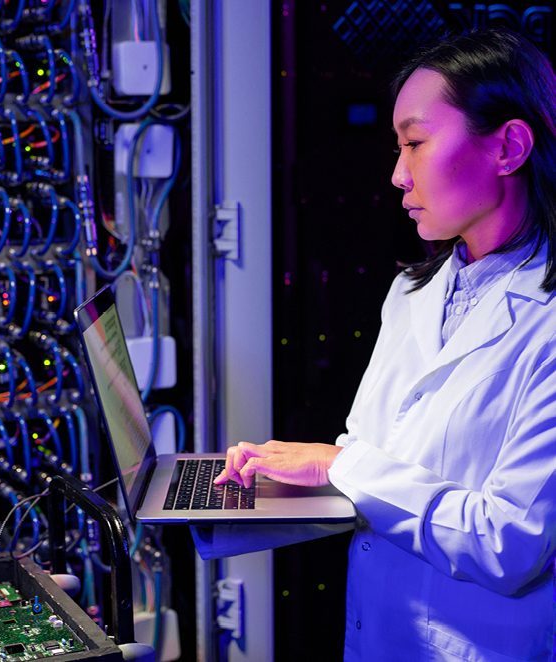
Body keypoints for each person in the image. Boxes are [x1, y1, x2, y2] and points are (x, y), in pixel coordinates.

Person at [213, 27, 556, 661]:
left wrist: (332, 464)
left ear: (508, 145)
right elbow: (374, 471)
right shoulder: (412, 294)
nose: (398, 175)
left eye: (417, 143)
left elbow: (509, 540)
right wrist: (249, 500)